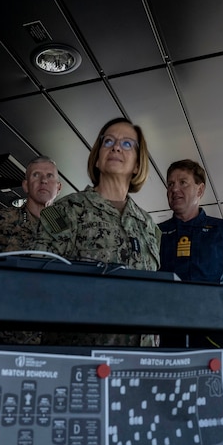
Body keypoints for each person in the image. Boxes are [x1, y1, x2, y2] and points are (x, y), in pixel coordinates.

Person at [32, 117, 160, 347]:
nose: (116, 147)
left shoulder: (149, 226)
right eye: (108, 141)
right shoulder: (63, 210)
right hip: (82, 357)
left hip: (140, 360)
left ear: (137, 165)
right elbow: (40, 282)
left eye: (127, 143)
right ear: (98, 159)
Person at [158, 158, 223, 285]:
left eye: (183, 182)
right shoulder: (155, 232)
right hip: (163, 303)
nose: (174, 189)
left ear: (200, 190)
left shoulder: (222, 230)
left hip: (209, 303)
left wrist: (216, 301)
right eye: (170, 184)